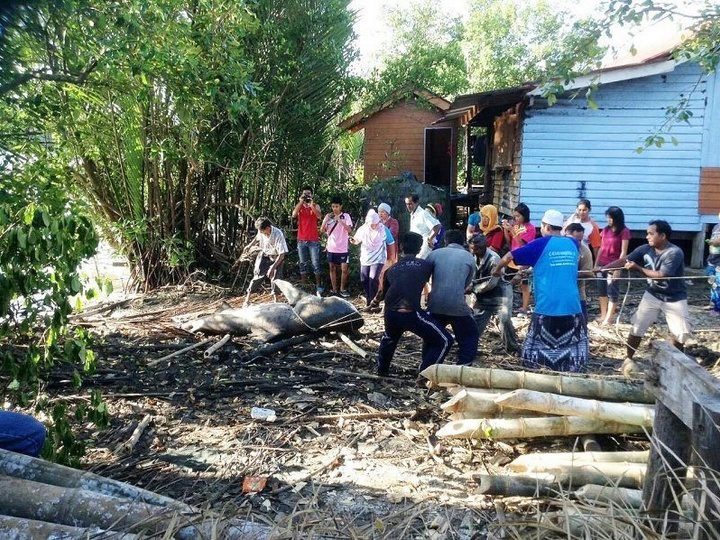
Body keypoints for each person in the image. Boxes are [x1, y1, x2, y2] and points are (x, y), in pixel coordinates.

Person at [494, 209, 588, 372]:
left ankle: (537, 372)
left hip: (547, 307)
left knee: (533, 356)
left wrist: (496, 270)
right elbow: (553, 265)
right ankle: (570, 370)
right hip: (573, 306)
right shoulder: (573, 244)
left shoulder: (540, 244)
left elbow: (509, 256)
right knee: (573, 349)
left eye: (542, 226)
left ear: (546, 226)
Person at [601, 220, 691, 374]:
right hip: (653, 294)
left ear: (662, 236)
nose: (647, 236)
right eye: (647, 233)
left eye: (651, 233)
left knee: (680, 333)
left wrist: (637, 268)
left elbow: (662, 276)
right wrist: (604, 268)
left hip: (675, 297)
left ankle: (674, 364)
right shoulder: (645, 249)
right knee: (637, 326)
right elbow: (625, 260)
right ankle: (628, 358)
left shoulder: (674, 252)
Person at [370, 232, 453, 376]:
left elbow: (382, 293)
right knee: (445, 340)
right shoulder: (425, 265)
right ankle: (425, 374)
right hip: (411, 313)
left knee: (389, 338)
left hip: (390, 313)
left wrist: (374, 302)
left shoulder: (391, 269)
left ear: (401, 247)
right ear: (420, 248)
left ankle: (381, 372)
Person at [426, 230, 480, 366]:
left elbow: (425, 276)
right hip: (457, 306)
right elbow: (467, 283)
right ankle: (463, 365)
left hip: (435, 305)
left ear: (445, 241)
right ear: (463, 242)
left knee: (432, 336)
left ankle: (428, 364)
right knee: (470, 335)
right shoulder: (469, 257)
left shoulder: (434, 254)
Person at [468, 234, 519, 353]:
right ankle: (469, 345)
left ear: (485, 246)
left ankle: (511, 347)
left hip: (501, 294)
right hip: (483, 295)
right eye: (472, 249)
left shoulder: (494, 258)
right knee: (476, 321)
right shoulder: (472, 256)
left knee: (505, 320)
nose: (475, 252)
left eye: (478, 249)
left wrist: (474, 289)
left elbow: (492, 283)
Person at [594, 206, 632, 325]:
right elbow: (601, 248)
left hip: (614, 264)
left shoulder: (624, 231)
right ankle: (603, 314)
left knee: (612, 291)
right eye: (607, 218)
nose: (608, 220)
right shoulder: (605, 230)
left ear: (617, 218)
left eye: (610, 218)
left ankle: (609, 318)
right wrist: (596, 263)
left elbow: (623, 252)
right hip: (601, 264)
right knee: (601, 290)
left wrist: (618, 268)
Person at [351, 209, 395, 307]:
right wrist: (352, 240)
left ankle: (373, 303)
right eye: (372, 224)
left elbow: (391, 242)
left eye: (376, 223)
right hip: (366, 258)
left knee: (373, 278)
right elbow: (356, 240)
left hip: (379, 257)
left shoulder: (383, 229)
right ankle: (369, 298)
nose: (374, 225)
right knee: (364, 279)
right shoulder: (363, 229)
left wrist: (392, 257)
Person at [241, 217, 288, 307]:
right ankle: (247, 300)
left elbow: (282, 255)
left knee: (275, 279)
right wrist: (249, 245)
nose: (261, 233)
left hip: (277, 257)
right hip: (265, 254)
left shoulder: (278, 234)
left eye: (262, 231)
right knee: (257, 276)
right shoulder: (261, 230)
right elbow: (257, 238)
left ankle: (276, 301)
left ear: (268, 228)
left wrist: (273, 267)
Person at [501, 203, 536, 315]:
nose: (516, 219)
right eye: (515, 216)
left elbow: (523, 245)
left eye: (518, 216)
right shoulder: (516, 226)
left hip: (523, 260)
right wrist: (506, 230)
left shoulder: (530, 228)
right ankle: (507, 305)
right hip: (513, 258)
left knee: (524, 285)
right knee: (507, 281)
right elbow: (509, 242)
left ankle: (524, 308)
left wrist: (511, 230)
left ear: (525, 216)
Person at [291, 186, 323, 295]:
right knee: (302, 263)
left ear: (312, 195)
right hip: (301, 239)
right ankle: (304, 285)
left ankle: (319, 285)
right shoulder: (299, 206)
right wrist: (301, 202)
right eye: (305, 194)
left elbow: (319, 216)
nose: (307, 196)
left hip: (313, 239)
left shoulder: (315, 205)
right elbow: (294, 214)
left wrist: (311, 205)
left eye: (308, 194)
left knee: (315, 263)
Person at [321, 197, 353, 298]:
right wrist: (325, 220)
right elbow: (322, 230)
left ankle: (342, 289)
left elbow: (349, 230)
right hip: (331, 247)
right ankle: (334, 290)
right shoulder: (328, 216)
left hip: (343, 247)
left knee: (344, 269)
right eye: (333, 206)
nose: (335, 208)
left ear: (341, 206)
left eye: (337, 206)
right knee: (332, 268)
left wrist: (340, 220)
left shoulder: (346, 216)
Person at [566, 222, 594, 321]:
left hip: (578, 294)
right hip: (559, 293)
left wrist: (570, 273)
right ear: (566, 235)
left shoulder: (584, 251)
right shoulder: (557, 248)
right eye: (575, 239)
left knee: (581, 324)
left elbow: (589, 273)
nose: (578, 242)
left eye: (580, 240)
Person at [405, 194, 441, 259]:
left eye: (410, 204)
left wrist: (429, 239)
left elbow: (437, 226)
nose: (408, 206)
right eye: (407, 204)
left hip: (424, 246)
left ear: (416, 203)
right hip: (415, 246)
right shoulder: (413, 214)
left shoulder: (423, 213)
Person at [706, 212, 720, 316]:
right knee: (712, 283)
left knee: (718, 285)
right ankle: (712, 304)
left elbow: (716, 242)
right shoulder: (716, 226)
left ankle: (717, 308)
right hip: (712, 260)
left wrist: (712, 242)